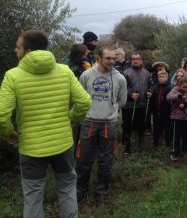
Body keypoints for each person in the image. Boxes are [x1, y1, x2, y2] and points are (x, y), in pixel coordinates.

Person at [0, 30, 92, 218]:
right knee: (67, 189)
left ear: (29, 51)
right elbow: (84, 102)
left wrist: (9, 133)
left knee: (33, 195)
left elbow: (2, 115)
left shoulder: (13, 76)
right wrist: (71, 119)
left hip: (32, 148)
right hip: (63, 144)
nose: (15, 50)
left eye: (18, 47)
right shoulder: (64, 71)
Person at [76, 48, 127, 201]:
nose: (112, 61)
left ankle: (101, 192)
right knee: (84, 159)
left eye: (114, 58)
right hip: (89, 122)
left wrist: (109, 111)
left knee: (106, 160)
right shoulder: (86, 75)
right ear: (99, 58)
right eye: (108, 58)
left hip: (108, 124)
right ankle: (80, 190)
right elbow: (81, 96)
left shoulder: (120, 79)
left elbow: (122, 101)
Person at [122, 53, 152, 153]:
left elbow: (151, 85)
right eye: (133, 59)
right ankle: (126, 147)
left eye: (138, 59)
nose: (135, 60)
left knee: (141, 126)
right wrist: (130, 94)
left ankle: (140, 148)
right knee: (128, 127)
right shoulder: (126, 72)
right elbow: (123, 87)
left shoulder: (147, 73)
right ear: (131, 60)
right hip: (129, 105)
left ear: (141, 60)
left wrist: (150, 92)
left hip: (142, 104)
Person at [166, 76, 187, 161]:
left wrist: (185, 104)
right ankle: (175, 152)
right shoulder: (175, 90)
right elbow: (168, 97)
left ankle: (184, 151)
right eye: (183, 87)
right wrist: (178, 96)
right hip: (176, 117)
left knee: (185, 135)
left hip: (185, 117)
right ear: (179, 85)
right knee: (176, 136)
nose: (185, 89)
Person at [147, 69, 172, 149]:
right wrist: (148, 94)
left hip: (166, 112)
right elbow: (149, 94)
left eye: (163, 77)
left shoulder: (169, 88)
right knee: (156, 128)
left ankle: (168, 144)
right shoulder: (154, 87)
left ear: (167, 78)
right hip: (156, 112)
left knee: (167, 128)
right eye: (160, 77)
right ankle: (155, 144)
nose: (161, 78)